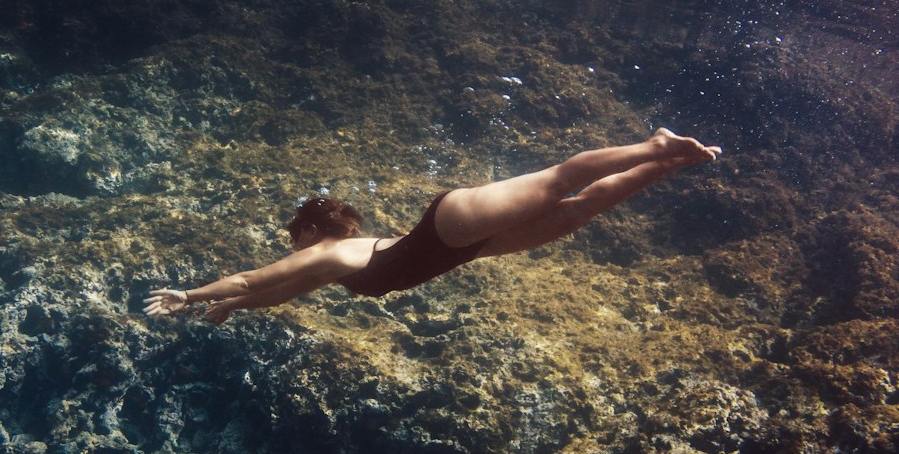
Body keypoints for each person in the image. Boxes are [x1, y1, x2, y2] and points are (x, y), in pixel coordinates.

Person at [143, 128, 721, 324]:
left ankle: (654, 143)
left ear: (309, 231)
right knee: (579, 209)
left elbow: (251, 279)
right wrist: (229, 308)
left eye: (291, 237)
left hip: (450, 227)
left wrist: (190, 295)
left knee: (556, 182)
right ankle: (668, 162)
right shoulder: (329, 266)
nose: (290, 251)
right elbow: (274, 293)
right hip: (469, 247)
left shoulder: (329, 253)